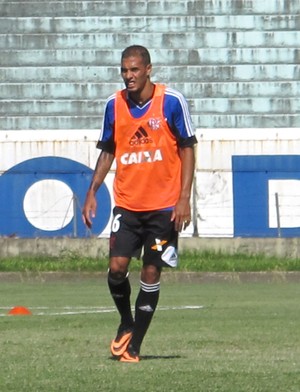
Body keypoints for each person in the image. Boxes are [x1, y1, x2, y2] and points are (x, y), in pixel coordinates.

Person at [82, 45, 197, 363]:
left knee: (150, 270)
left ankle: (134, 346)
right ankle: (126, 322)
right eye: (124, 70)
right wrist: (92, 191)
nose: (128, 76)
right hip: (128, 205)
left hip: (163, 206)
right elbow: (108, 150)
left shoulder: (171, 101)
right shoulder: (114, 105)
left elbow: (188, 148)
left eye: (134, 70)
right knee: (117, 269)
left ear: (148, 69)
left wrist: (184, 198)